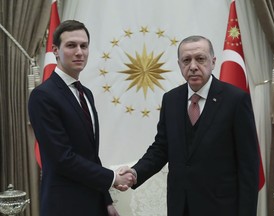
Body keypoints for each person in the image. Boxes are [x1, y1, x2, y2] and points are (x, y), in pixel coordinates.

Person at [119, 35, 259, 216]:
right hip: (180, 207)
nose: (193, 66)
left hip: (222, 208)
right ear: (179, 65)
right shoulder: (171, 100)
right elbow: (161, 148)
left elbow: (248, 166)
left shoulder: (236, 100)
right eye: (186, 60)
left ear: (213, 62)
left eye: (200, 59)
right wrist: (135, 173)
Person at [28, 20, 135, 216]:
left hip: (94, 204)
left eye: (84, 46)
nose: (79, 52)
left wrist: (106, 200)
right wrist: (112, 178)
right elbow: (62, 158)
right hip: (64, 206)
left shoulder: (86, 94)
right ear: (56, 51)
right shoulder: (43, 96)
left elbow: (90, 155)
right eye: (71, 45)